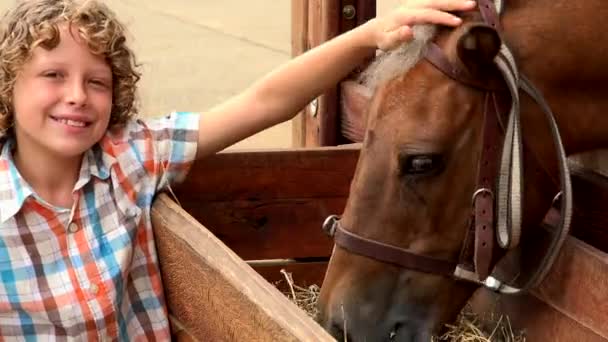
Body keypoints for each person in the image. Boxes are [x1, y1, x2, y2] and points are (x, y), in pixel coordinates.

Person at [0, 0, 475, 339]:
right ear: (9, 85)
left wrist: (370, 35)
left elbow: (264, 102)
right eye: (53, 75)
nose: (78, 95)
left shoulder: (130, 160)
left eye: (97, 81)